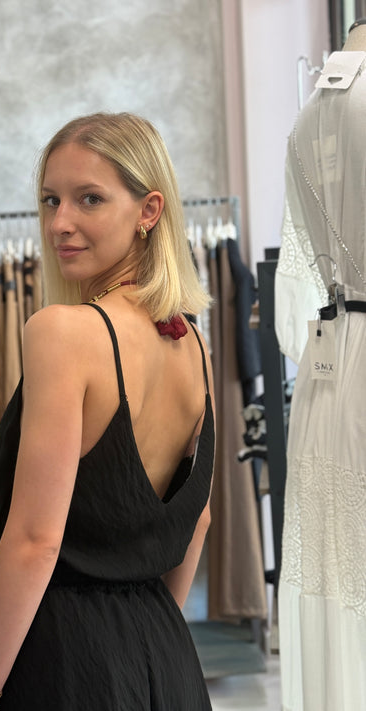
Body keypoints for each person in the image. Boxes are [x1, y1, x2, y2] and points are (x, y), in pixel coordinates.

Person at [0, 112, 215, 711]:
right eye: (51, 200)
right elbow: (198, 519)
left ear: (149, 211)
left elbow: (35, 540)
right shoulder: (193, 343)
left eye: (89, 199)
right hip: (166, 655)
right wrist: (144, 639)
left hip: (65, 659)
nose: (60, 223)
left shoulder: (63, 333)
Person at [275, 19, 366, 711]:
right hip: (340, 350)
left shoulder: (311, 114)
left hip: (332, 355)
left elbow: (298, 278)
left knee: (341, 574)